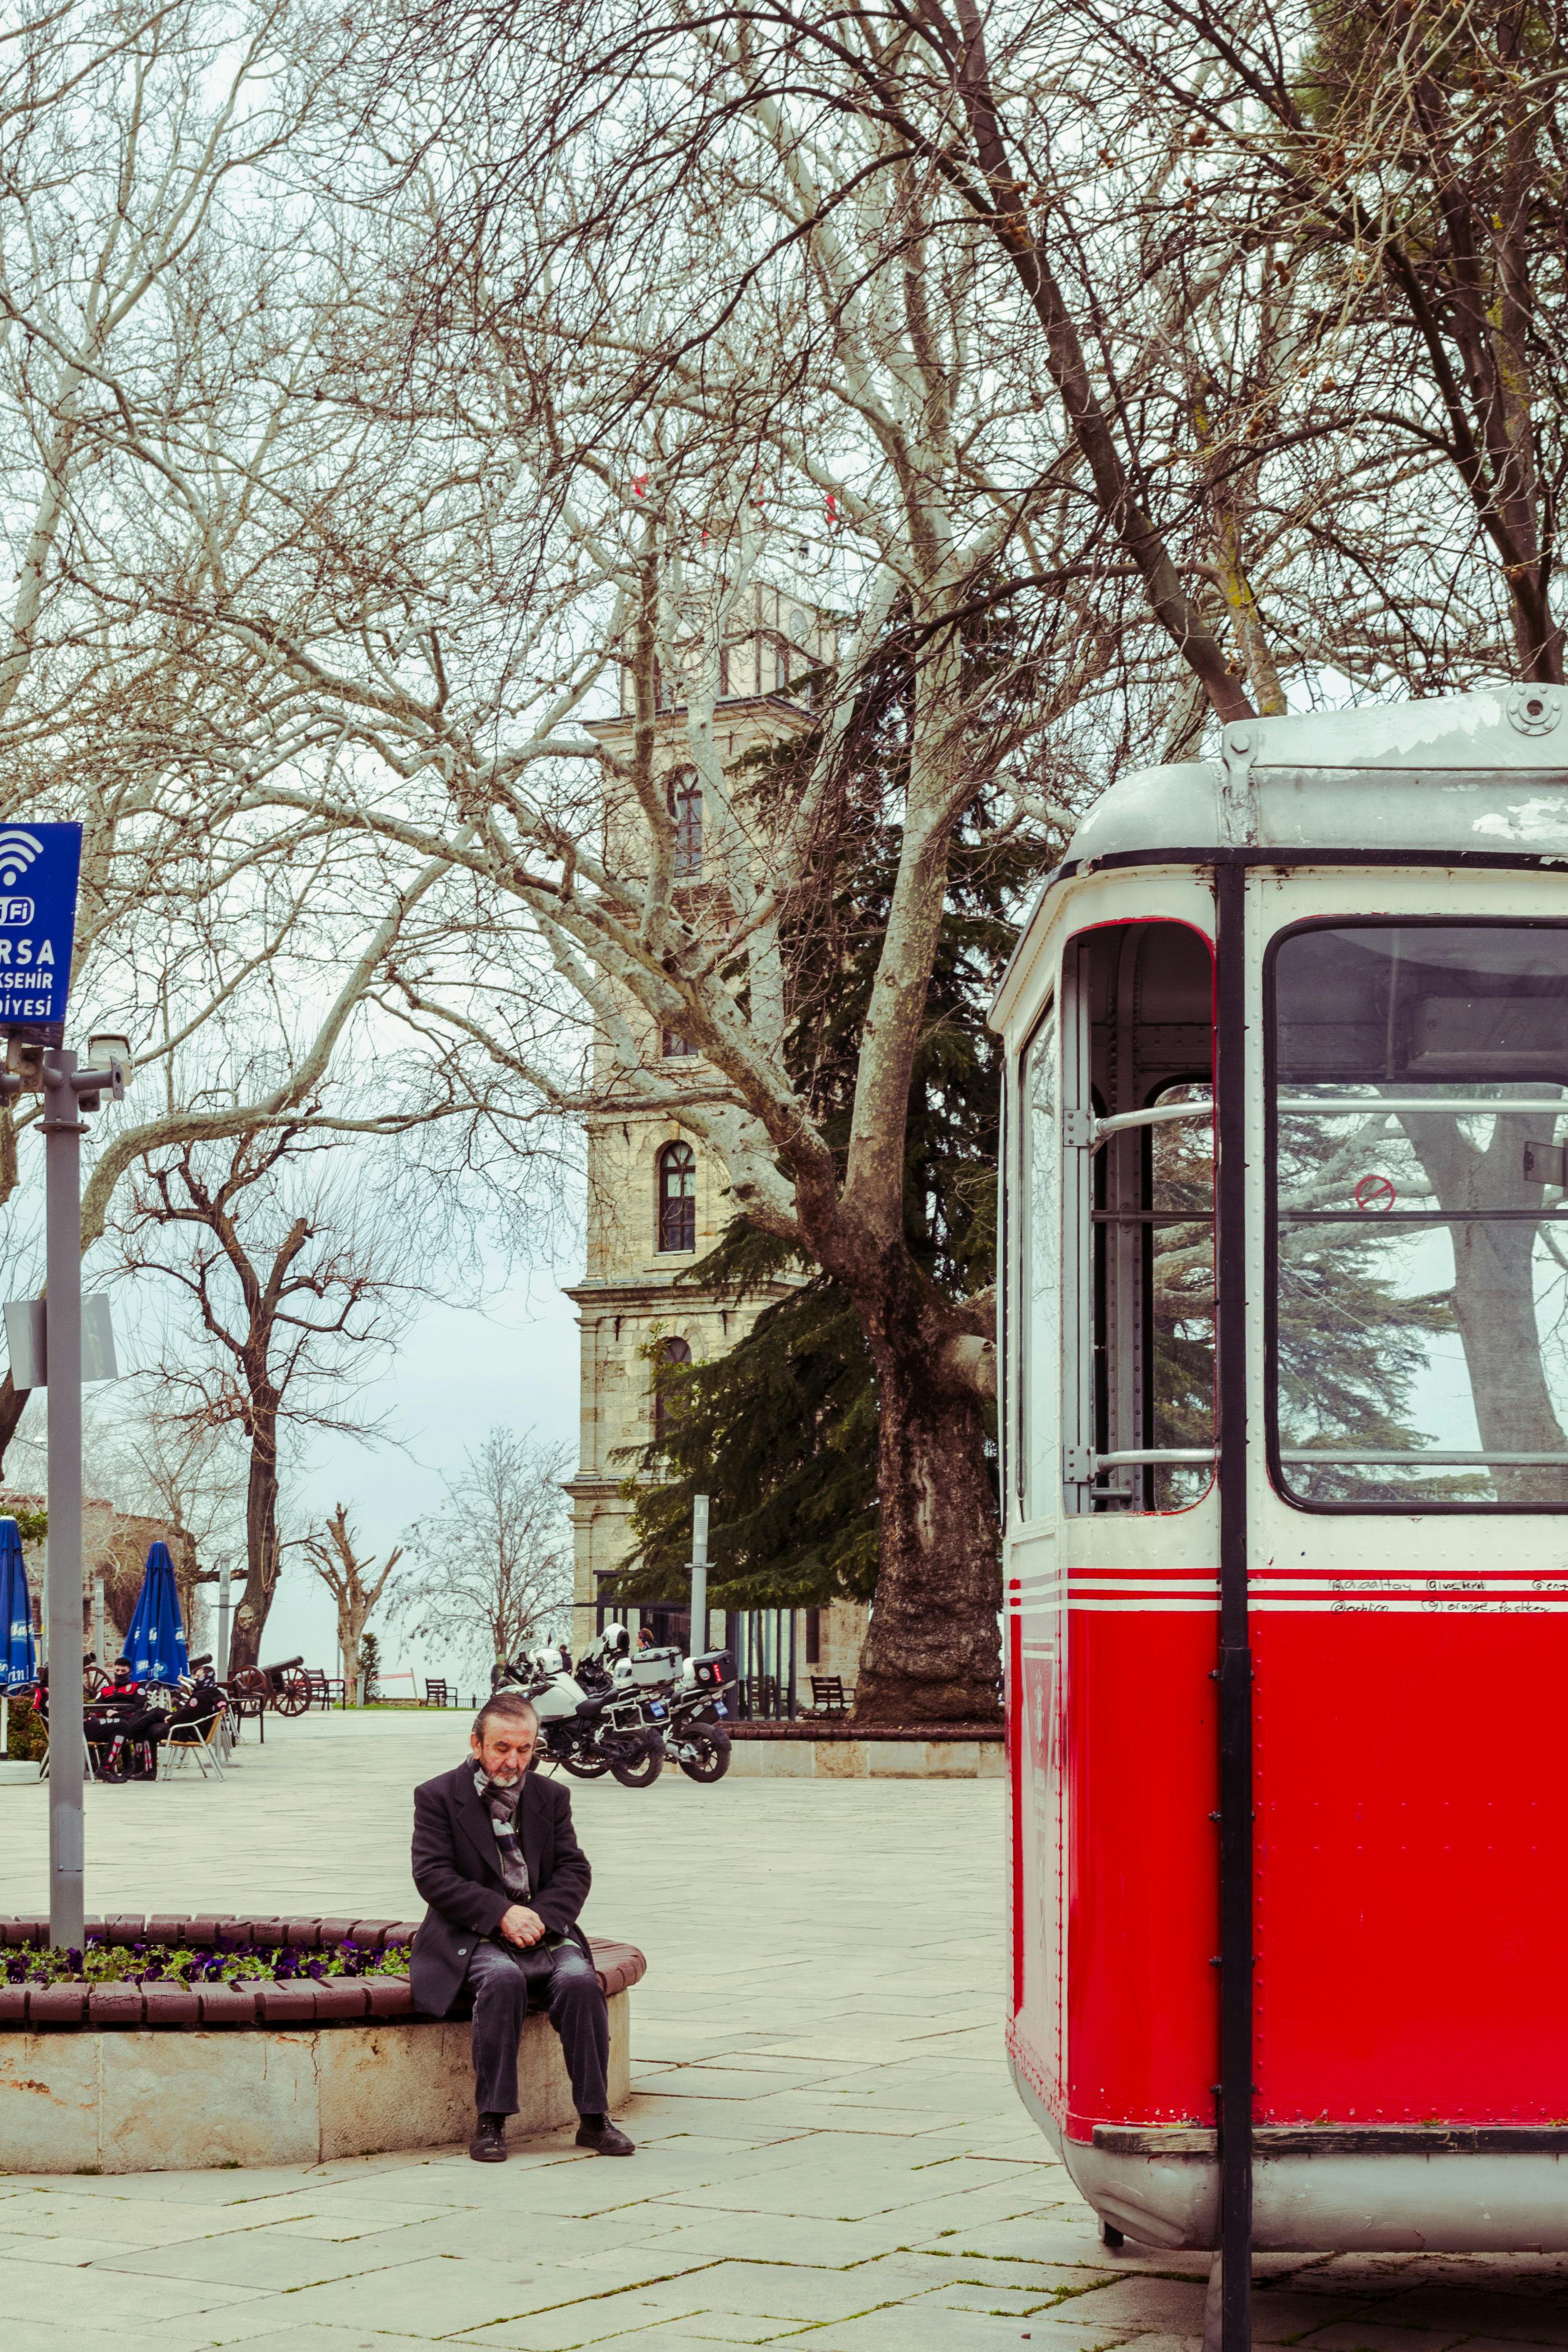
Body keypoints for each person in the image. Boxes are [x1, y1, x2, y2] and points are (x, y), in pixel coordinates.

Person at [409, 1689, 635, 2163]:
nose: (513, 1760)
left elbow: (575, 1870)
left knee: (578, 1981)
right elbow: (433, 1876)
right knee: (502, 1979)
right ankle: (491, 2119)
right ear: (477, 1743)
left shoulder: (551, 1796)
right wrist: (500, 1913)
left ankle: (595, 2119)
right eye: (502, 1748)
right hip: (472, 1936)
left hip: (543, 1930)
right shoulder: (437, 1797)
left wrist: (541, 1918)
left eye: (525, 1749)